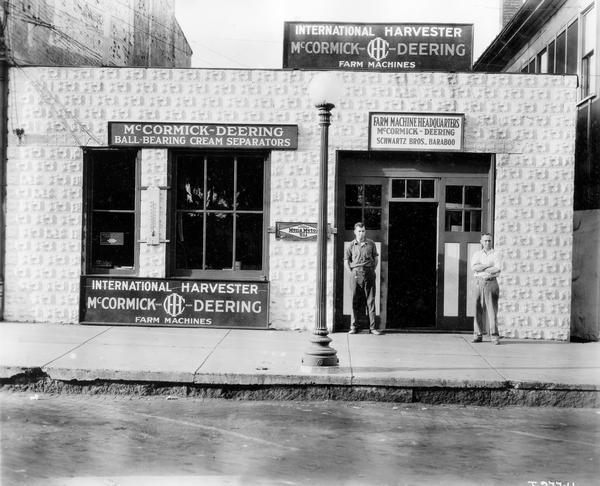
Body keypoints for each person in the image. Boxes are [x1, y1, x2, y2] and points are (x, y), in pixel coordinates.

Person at [344, 222, 382, 335]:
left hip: (368, 272)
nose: (361, 233)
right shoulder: (351, 245)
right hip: (355, 273)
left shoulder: (371, 244)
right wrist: (351, 272)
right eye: (359, 231)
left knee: (370, 300)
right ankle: (354, 326)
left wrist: (371, 270)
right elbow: (346, 261)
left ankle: (373, 327)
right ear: (355, 232)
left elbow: (376, 259)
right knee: (354, 300)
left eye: (363, 231)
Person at [471, 233, 502, 344]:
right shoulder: (477, 254)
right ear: (481, 241)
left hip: (491, 282)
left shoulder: (496, 254)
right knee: (477, 308)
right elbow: (474, 267)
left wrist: (482, 267)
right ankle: (478, 335)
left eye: (489, 240)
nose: (487, 243)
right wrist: (488, 266)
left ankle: (494, 336)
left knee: (492, 310)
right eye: (485, 241)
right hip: (479, 283)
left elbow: (497, 269)